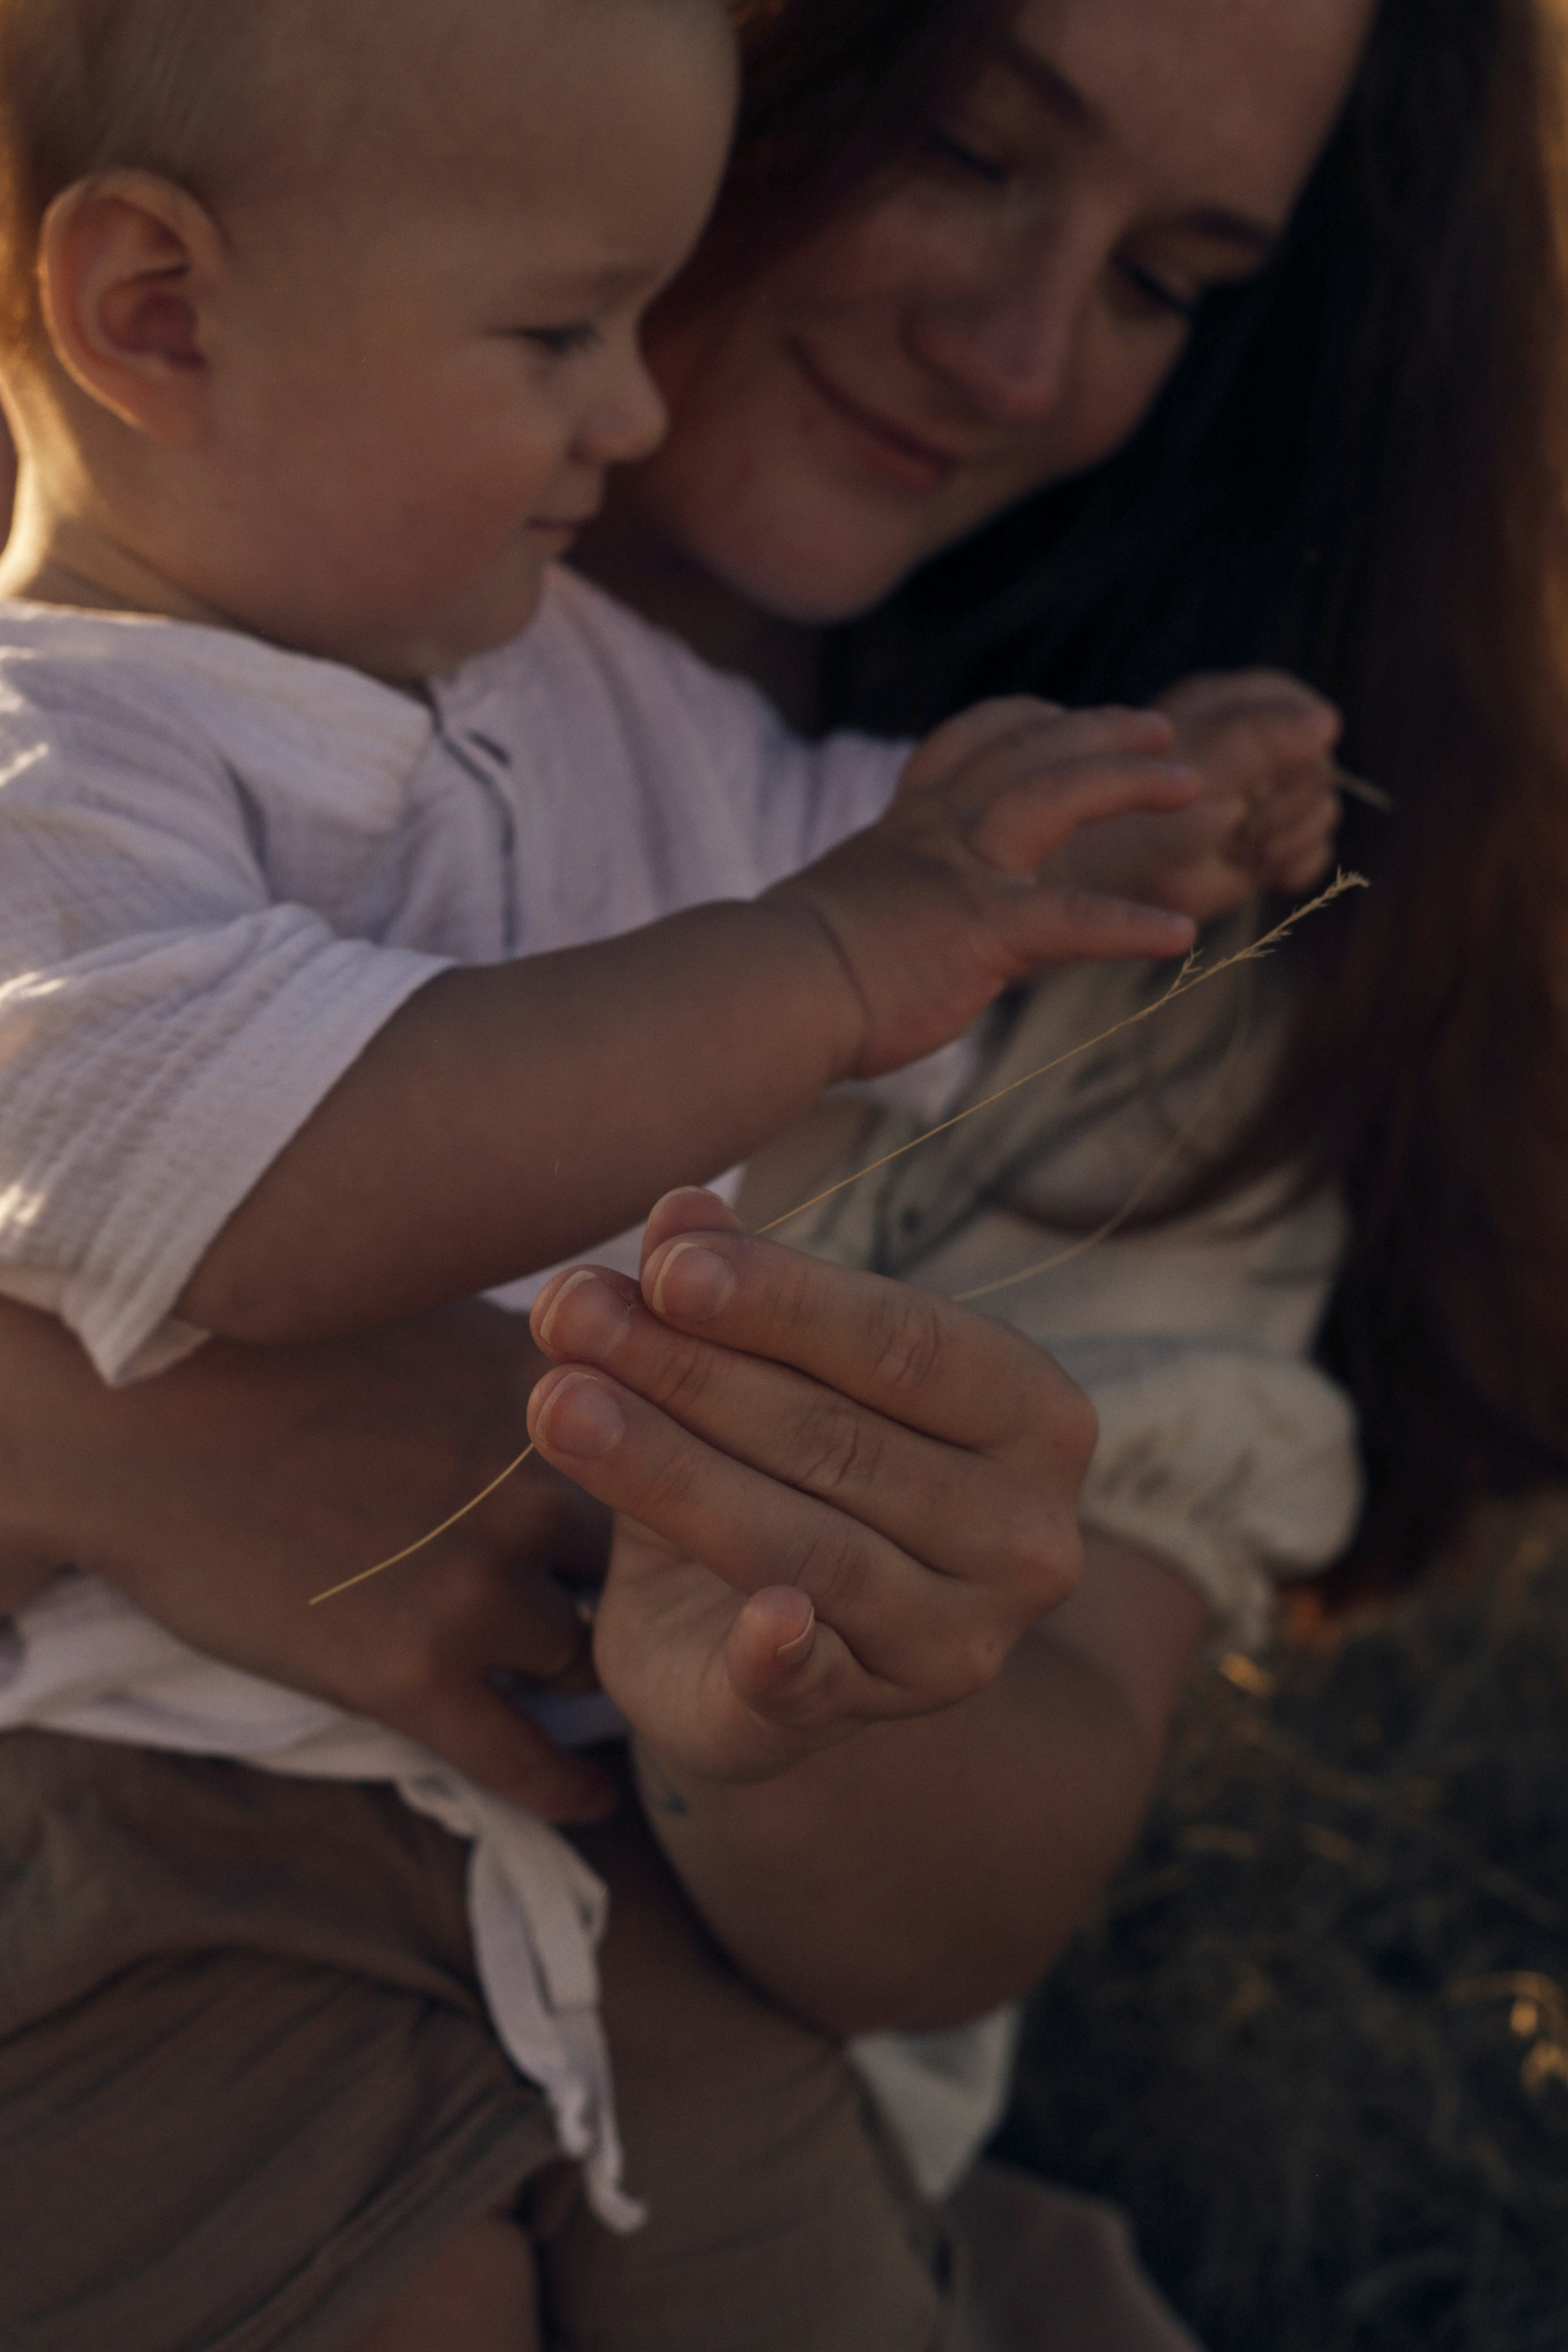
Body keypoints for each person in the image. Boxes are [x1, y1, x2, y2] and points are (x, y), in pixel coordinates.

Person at [1, 0, 1563, 2344]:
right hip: (173, 1880)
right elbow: (218, 1121)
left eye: (1169, 282)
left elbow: (883, 855)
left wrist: (1116, 804)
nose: (1023, 348)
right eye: (960, 142)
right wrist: (102, 1432)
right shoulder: (95, 691)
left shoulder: (744, 793)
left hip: (668, 1958)